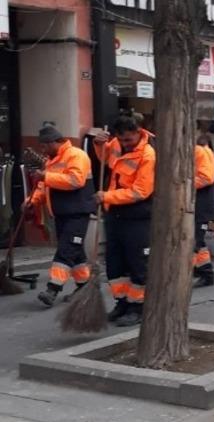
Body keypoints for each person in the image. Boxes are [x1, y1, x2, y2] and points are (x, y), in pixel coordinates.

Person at [92, 115, 156, 327]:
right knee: (115, 263)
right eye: (122, 140)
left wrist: (107, 197)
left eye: (129, 140)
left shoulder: (148, 154)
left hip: (137, 216)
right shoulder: (117, 143)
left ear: (139, 131)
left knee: (138, 264)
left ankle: (138, 306)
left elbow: (141, 191)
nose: (125, 144)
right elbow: (105, 159)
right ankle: (122, 302)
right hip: (116, 215)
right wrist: (98, 144)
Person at [30, 126, 97, 306]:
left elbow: (75, 181)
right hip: (62, 213)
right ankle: (85, 287)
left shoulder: (76, 155)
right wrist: (33, 201)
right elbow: (44, 186)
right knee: (75, 253)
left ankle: (53, 288)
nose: (43, 151)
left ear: (54, 142)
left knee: (66, 250)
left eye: (44, 146)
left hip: (77, 212)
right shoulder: (52, 160)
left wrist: (46, 176)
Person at [192, 136, 214, 288]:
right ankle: (200, 270)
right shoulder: (206, 152)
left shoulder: (198, 152)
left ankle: (206, 273)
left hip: (202, 207)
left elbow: (205, 178)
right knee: (196, 240)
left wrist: (184, 185)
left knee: (196, 240)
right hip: (205, 206)